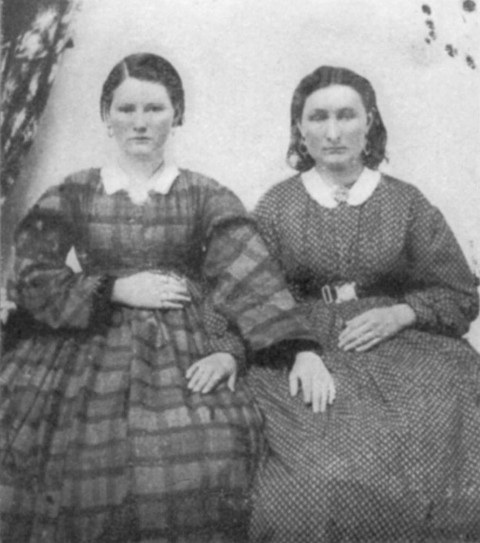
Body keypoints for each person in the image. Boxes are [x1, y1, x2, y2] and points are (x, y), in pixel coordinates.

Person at [0, 53, 330, 543]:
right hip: (83, 346)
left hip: (183, 344)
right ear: (106, 116)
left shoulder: (203, 194)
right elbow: (30, 272)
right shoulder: (74, 191)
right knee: (65, 452)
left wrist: (299, 349)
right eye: (126, 108)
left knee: (208, 448)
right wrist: (113, 288)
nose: (139, 122)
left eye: (154, 108)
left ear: (177, 114)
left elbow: (247, 273)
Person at [248, 65, 480, 542]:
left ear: (369, 122)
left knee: (441, 425)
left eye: (347, 116)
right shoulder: (276, 205)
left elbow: (458, 291)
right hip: (305, 348)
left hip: (400, 347)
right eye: (318, 118)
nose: (333, 132)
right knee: (321, 466)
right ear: (300, 129)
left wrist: (402, 313)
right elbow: (251, 292)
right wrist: (297, 349)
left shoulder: (405, 203)